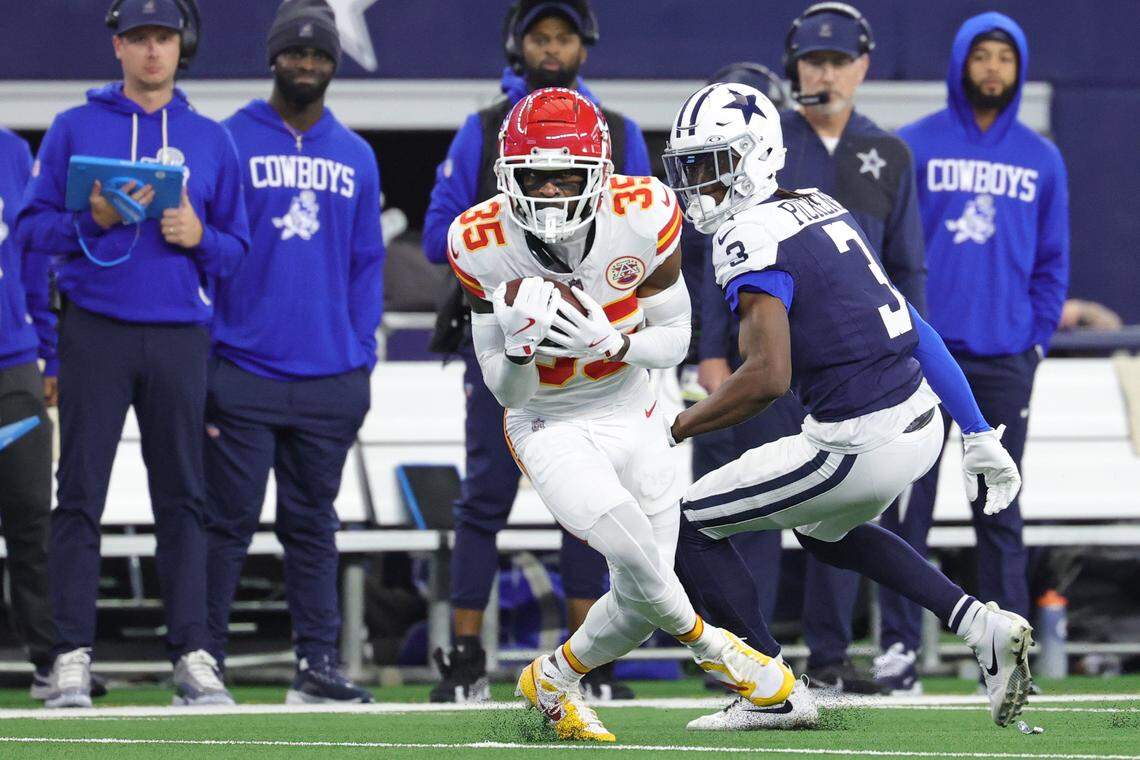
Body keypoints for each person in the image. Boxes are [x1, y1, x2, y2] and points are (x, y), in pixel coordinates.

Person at [662, 82, 1032, 731]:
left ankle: (769, 689)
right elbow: (912, 320)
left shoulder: (745, 234)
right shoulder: (818, 203)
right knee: (823, 530)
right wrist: (973, 429)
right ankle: (980, 624)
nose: (698, 182)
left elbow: (768, 376)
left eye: (711, 163)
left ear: (755, 156)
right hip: (918, 419)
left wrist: (676, 425)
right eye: (690, 165)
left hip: (859, 441)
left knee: (688, 524)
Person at [451, 87, 804, 742]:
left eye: (566, 176)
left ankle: (551, 679)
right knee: (627, 543)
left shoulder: (644, 214)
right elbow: (506, 390)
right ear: (508, 179)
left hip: (632, 399)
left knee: (641, 598)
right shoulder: (479, 241)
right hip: (548, 417)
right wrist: (522, 346)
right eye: (536, 177)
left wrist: (614, 343)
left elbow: (674, 341)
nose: (552, 193)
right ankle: (721, 651)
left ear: (601, 176)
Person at [16, 0, 249, 708]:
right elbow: (30, 230)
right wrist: (96, 216)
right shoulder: (74, 127)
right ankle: (71, 657)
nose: (153, 51)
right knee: (79, 494)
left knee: (183, 496)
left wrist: (198, 236)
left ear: (182, 48)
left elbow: (238, 253)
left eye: (164, 39)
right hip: (94, 328)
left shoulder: (212, 139)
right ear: (117, 46)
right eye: (139, 39)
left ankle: (194, 655)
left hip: (180, 332)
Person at [693, 3, 928, 695]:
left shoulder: (888, 153)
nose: (823, 72)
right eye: (811, 61)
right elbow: (722, 255)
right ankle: (742, 656)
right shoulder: (770, 140)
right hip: (767, 353)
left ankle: (829, 655)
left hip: (852, 364)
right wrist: (714, 353)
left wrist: (909, 352)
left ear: (862, 67)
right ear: (794, 68)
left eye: (836, 60)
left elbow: (906, 269)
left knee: (839, 513)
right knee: (754, 503)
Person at [421, 0, 651, 703]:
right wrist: (518, 253)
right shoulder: (485, 127)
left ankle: (588, 663)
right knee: (485, 498)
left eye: (565, 38)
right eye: (540, 37)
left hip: (592, 347)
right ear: (518, 45)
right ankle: (466, 657)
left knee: (589, 499)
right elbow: (440, 236)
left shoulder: (618, 130)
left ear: (585, 47)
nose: (552, 50)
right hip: (503, 334)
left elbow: (646, 236)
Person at [877, 12, 1069, 695]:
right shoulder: (915, 144)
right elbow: (890, 253)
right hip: (923, 359)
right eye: (981, 56)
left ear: (1017, 70)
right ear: (961, 63)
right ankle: (898, 652)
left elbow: (1052, 264)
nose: (992, 68)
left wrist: (1036, 339)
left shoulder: (1042, 157)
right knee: (906, 507)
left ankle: (1008, 653)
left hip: (1003, 358)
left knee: (999, 508)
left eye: (1004, 59)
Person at [205, 0, 383, 705]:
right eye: (294, 53)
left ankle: (316, 666)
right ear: (273, 58)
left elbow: (368, 261)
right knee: (228, 525)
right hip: (242, 368)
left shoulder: (357, 153)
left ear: (333, 65)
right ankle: (204, 660)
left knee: (314, 527)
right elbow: (205, 249)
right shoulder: (228, 140)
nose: (306, 64)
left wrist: (360, 349)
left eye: (318, 55)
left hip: (330, 374)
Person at [0, 127, 57, 698]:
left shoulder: (13, 152)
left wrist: (49, 347)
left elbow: (31, 257)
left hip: (11, 364)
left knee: (30, 517)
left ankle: (50, 659)